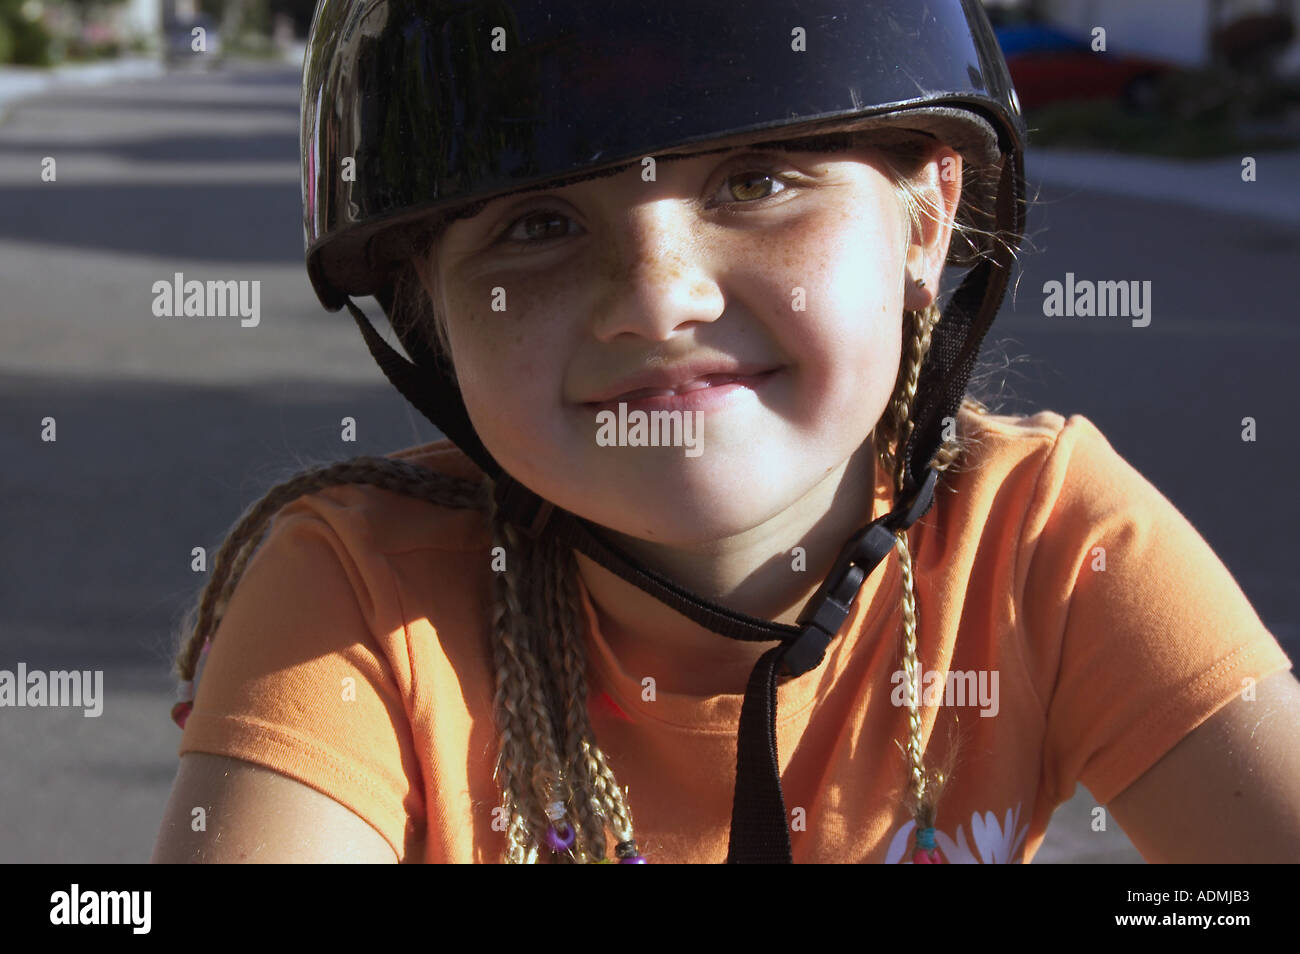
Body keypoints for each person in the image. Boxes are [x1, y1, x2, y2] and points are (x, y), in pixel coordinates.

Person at [152, 0, 1300, 864]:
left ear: (926, 220)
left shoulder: (1047, 540)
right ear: (432, 320)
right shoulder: (358, 595)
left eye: (757, 184)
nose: (657, 300)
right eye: (538, 223)